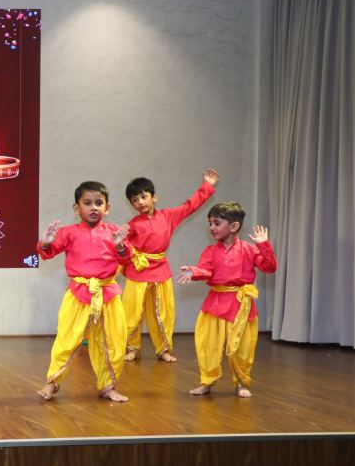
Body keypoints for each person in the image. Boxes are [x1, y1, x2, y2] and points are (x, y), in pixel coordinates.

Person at [38, 181, 132, 402]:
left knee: (113, 341)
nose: (93, 208)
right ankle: (52, 383)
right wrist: (46, 243)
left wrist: (120, 245)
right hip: (78, 294)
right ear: (76, 208)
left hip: (107, 294)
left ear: (107, 208)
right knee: (67, 339)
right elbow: (47, 253)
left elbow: (126, 259)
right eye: (87, 203)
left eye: (99, 203)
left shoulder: (114, 232)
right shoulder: (69, 232)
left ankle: (108, 386)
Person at [176, 201, 276, 398]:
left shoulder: (249, 249)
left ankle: (241, 382)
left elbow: (269, 267)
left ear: (234, 226)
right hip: (215, 303)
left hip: (240, 305)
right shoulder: (210, 251)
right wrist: (194, 271)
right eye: (210, 223)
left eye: (216, 223)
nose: (212, 228)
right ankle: (207, 381)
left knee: (241, 347)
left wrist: (264, 245)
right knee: (208, 343)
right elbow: (206, 270)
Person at [121, 170, 219, 363]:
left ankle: (163, 349)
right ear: (131, 204)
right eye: (135, 200)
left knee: (163, 312)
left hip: (160, 272)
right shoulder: (131, 225)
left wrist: (207, 185)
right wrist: (124, 246)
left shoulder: (168, 216)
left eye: (143, 196)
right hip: (138, 272)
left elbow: (190, 206)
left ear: (154, 197)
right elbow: (121, 247)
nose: (140, 202)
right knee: (132, 313)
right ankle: (132, 348)